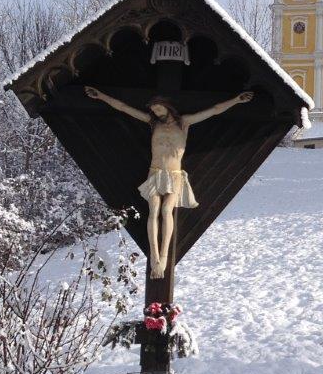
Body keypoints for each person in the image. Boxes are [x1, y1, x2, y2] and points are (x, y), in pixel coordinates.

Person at [85, 87, 253, 278]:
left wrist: (236, 100)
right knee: (154, 211)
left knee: (166, 211)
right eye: (154, 110)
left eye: (158, 108)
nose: (156, 112)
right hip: (155, 173)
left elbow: (214, 110)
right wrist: (101, 96)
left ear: (167, 106)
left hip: (174, 175)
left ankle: (163, 257)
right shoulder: (152, 123)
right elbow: (123, 107)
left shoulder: (184, 122)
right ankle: (155, 257)